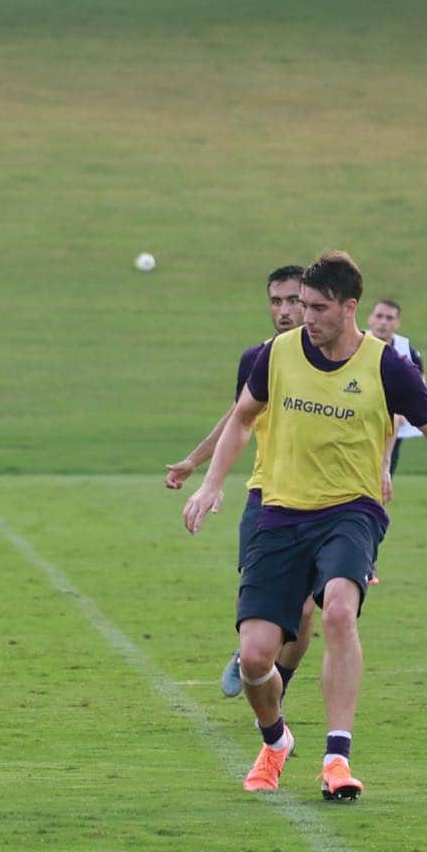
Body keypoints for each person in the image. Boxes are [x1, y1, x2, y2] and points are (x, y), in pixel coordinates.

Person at [182, 251, 427, 800]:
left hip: (351, 511)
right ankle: (275, 741)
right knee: (255, 657)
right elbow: (242, 419)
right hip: (278, 514)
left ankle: (337, 759)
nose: (306, 317)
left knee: (340, 608)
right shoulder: (274, 355)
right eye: (301, 304)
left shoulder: (388, 365)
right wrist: (211, 483)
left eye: (318, 307)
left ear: (350, 308)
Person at [165, 265, 315, 701]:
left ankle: (275, 690)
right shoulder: (260, 358)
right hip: (266, 495)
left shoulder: (341, 361)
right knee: (255, 593)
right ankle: (249, 654)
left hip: (325, 501)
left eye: (293, 301)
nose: (284, 311)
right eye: (276, 301)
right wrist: (197, 463)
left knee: (304, 610)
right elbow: (239, 419)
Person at [367, 298, 426, 475]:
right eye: (379, 316)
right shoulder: (354, 343)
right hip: (361, 419)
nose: (383, 322)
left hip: (393, 426)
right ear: (370, 319)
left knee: (384, 480)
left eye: (389, 318)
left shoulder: (408, 351)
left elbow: (420, 388)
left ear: (397, 323)